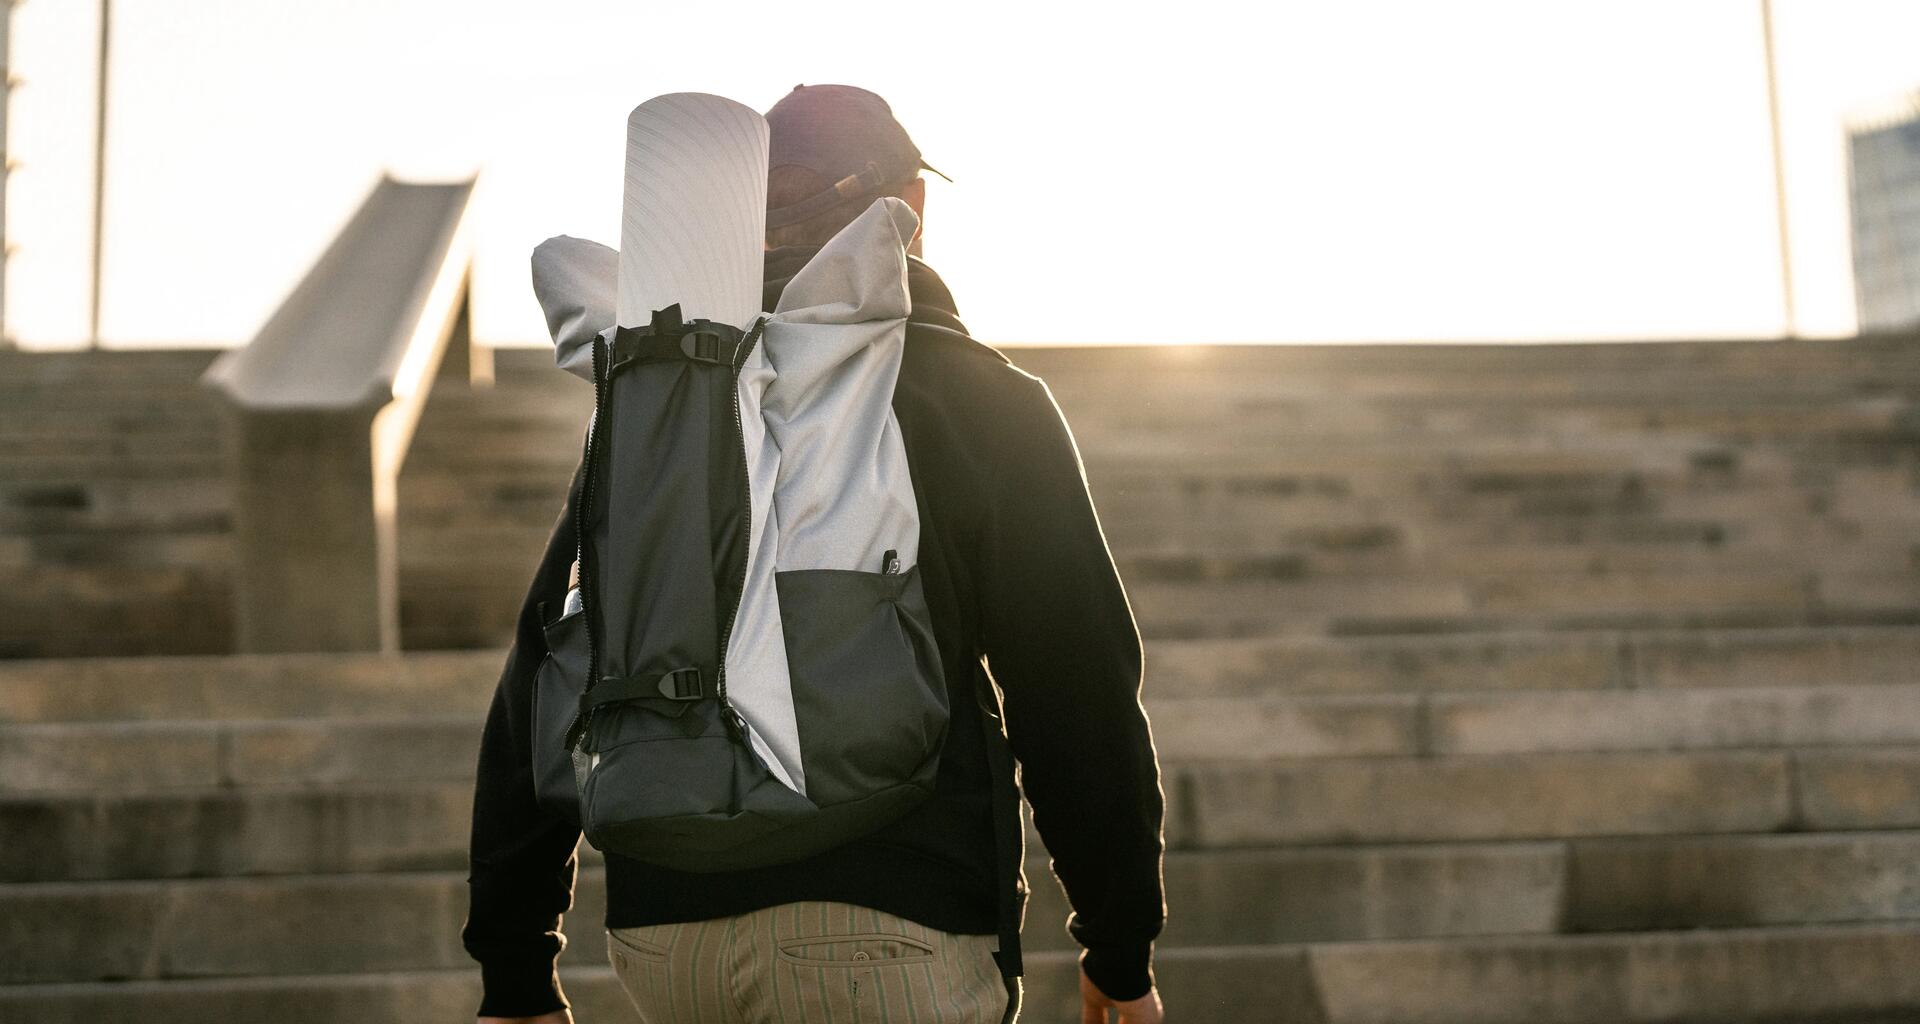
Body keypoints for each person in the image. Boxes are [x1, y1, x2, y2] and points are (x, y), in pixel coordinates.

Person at [465, 83, 1166, 1024]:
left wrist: (514, 966)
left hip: (665, 937)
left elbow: (542, 673)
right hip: (889, 925)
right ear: (910, 210)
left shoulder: (658, 403)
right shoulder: (976, 400)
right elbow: (1075, 694)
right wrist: (1119, 948)